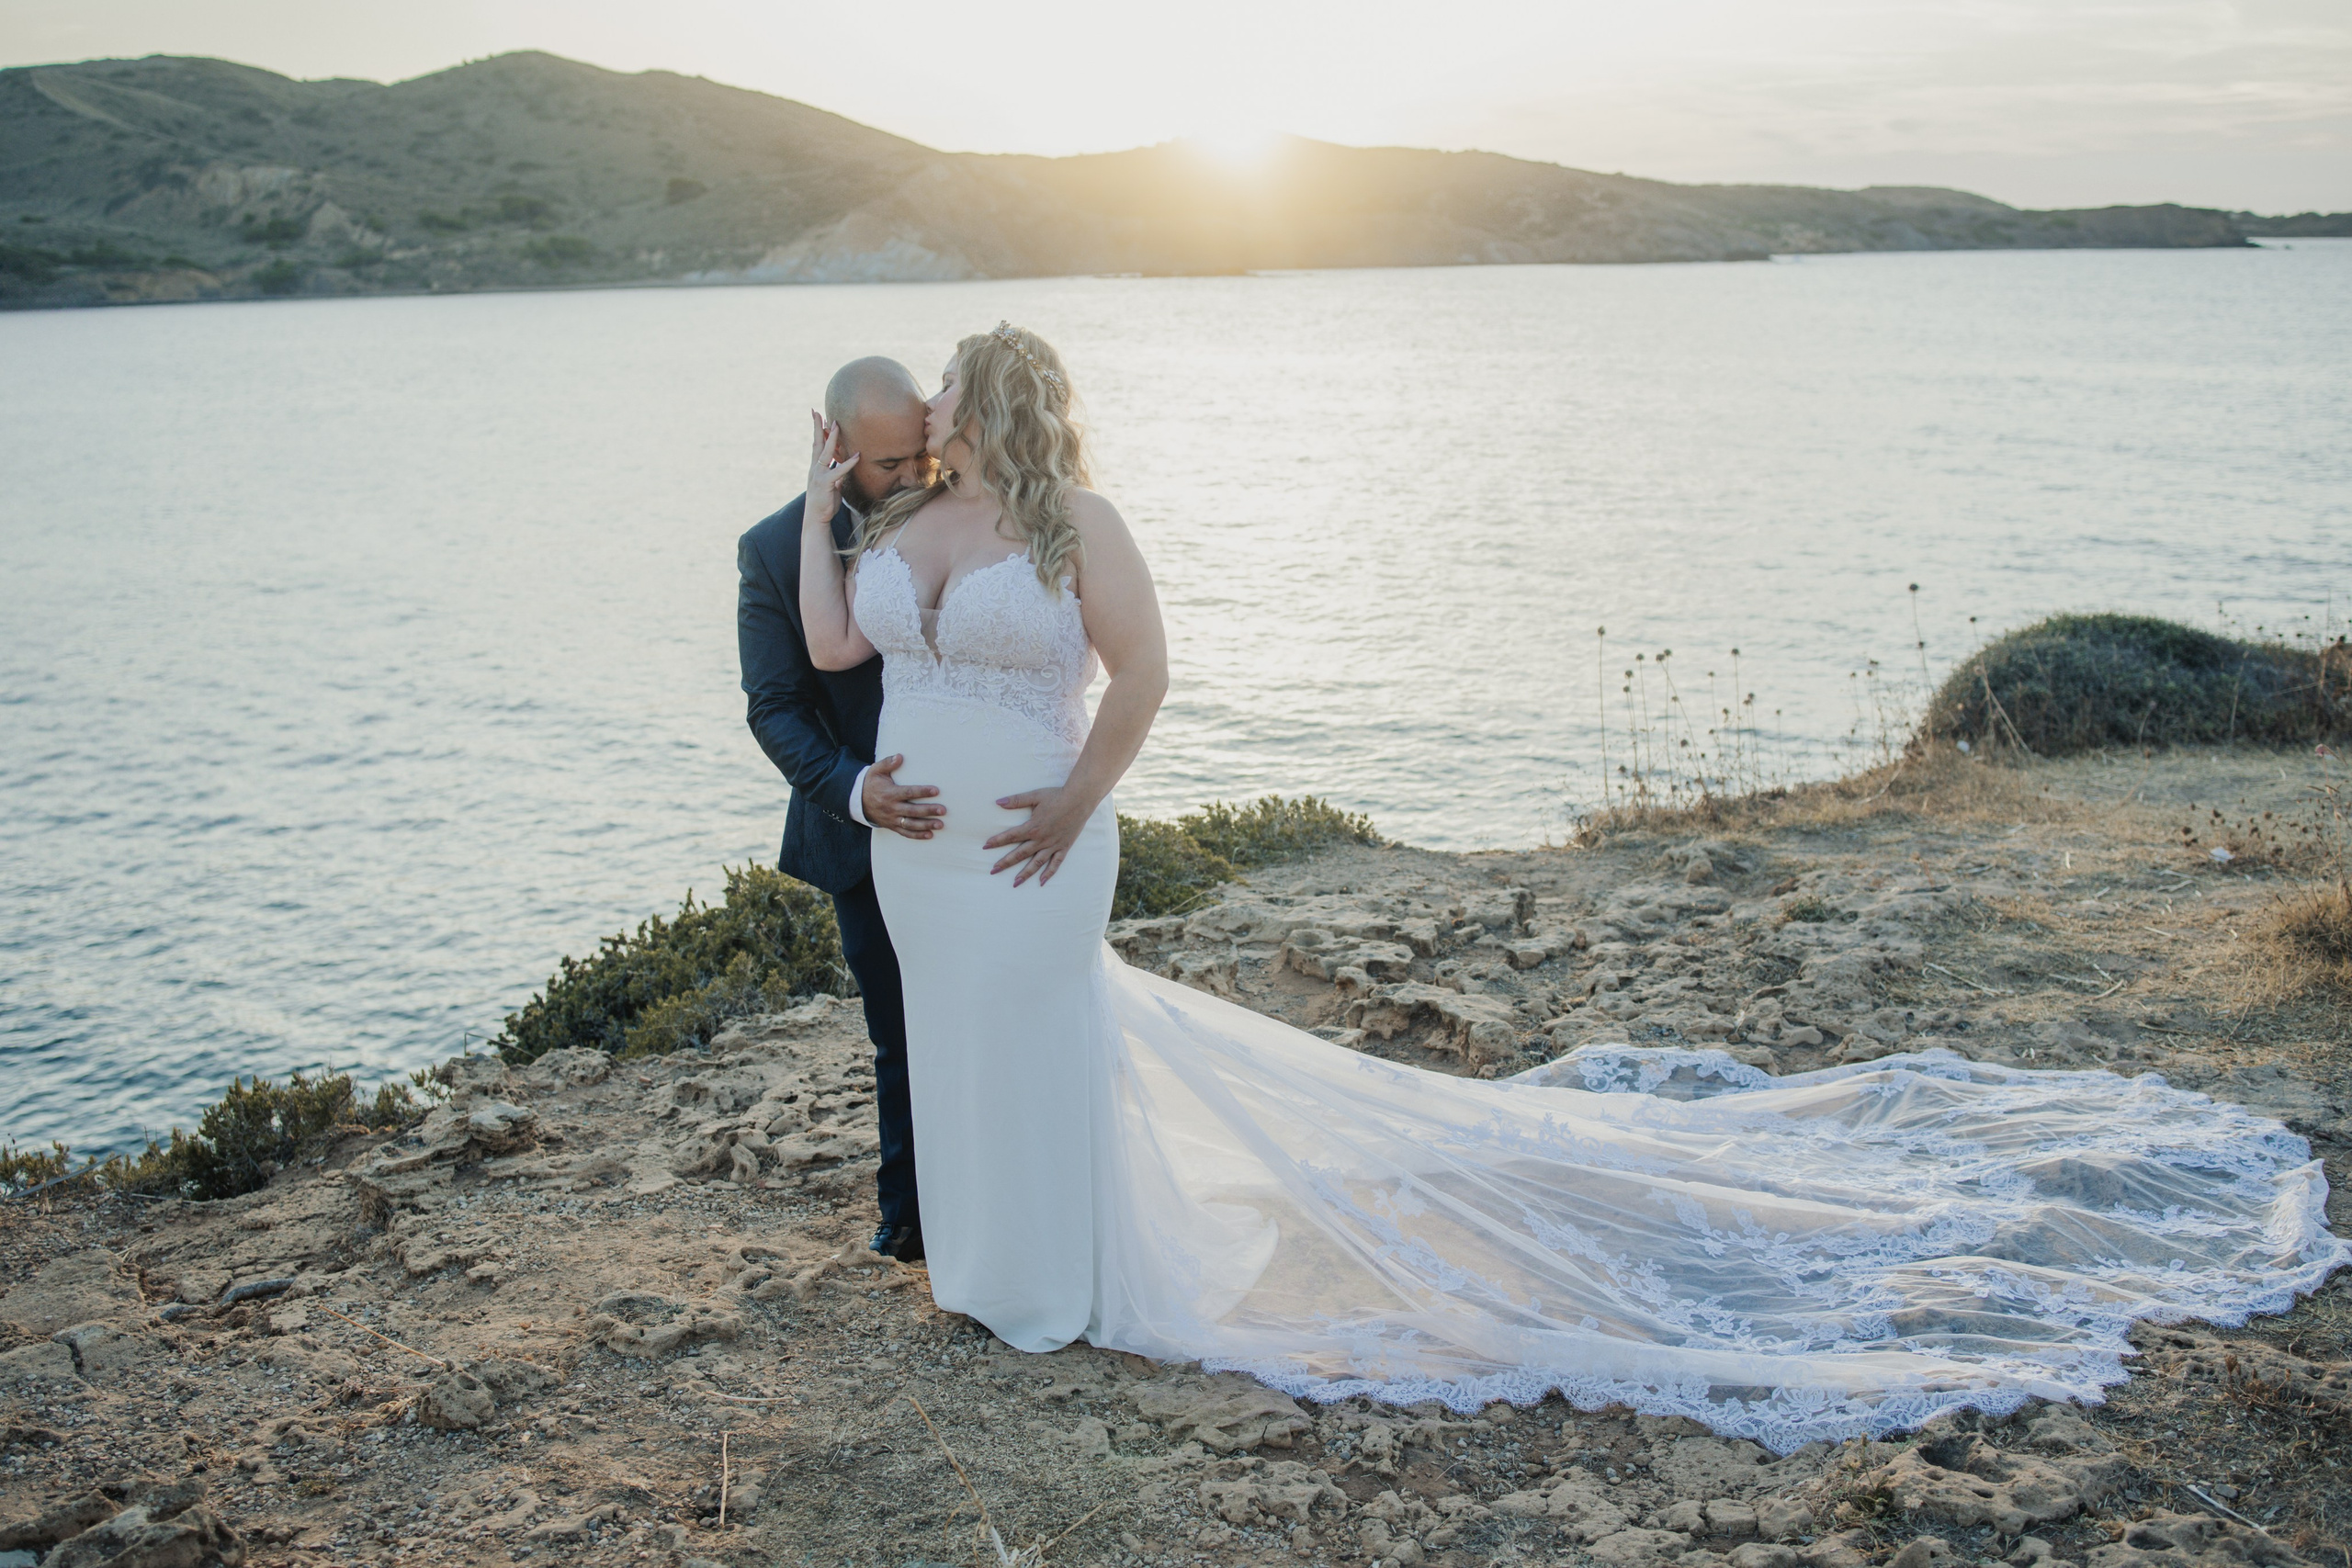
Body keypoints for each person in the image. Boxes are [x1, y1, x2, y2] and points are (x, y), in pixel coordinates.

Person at [792, 322, 2349, 1449]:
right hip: (922, 856)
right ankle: (980, 1270)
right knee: (958, 1047)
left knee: (1040, 1035)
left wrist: (1079, 799)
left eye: (950, 388)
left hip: (1041, 839)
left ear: (996, 399)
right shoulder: (909, 518)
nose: (930, 406)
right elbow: (832, 643)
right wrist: (817, 504)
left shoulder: (1080, 526)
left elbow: (1143, 676)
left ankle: (1055, 1282)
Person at [736, 356, 944, 1263]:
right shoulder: (773, 547)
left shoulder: (959, 508)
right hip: (861, 831)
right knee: (897, 1029)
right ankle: (910, 1215)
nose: (912, 477)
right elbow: (774, 707)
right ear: (835, 445)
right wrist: (858, 791)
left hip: (972, 814)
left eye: (918, 456)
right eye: (888, 464)